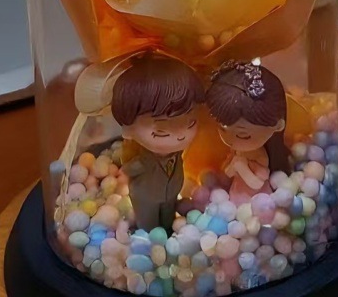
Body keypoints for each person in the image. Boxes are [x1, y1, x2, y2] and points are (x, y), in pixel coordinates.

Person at [111, 54, 205, 232]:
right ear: (128, 129)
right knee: (149, 225)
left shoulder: (178, 154)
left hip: (171, 193)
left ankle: (168, 232)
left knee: (168, 221)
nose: (180, 136)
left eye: (191, 123)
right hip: (146, 197)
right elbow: (127, 170)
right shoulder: (143, 160)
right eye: (161, 132)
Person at [206, 60, 290, 206]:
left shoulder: (259, 156)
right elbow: (227, 173)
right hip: (235, 197)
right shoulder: (236, 151)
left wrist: (241, 167)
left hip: (257, 201)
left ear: (277, 126)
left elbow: (257, 183)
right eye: (223, 128)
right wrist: (232, 167)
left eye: (243, 135)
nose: (232, 140)